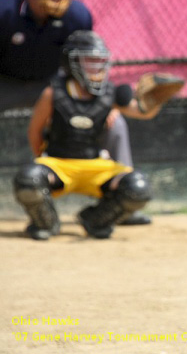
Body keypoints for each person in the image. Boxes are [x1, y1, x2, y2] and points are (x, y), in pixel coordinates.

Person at [0, 0, 149, 225]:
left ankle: (123, 199)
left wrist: (107, 104)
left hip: (53, 84)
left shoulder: (76, 15)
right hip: (6, 81)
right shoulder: (6, 12)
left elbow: (87, 61)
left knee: (116, 123)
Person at [13, 30, 176, 240]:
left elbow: (142, 112)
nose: (96, 67)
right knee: (29, 178)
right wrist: (43, 161)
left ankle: (96, 220)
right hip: (60, 165)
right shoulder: (53, 93)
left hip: (95, 166)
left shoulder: (110, 93)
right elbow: (34, 131)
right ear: (73, 63)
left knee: (138, 187)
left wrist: (157, 100)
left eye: (100, 61)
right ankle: (46, 223)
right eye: (90, 60)